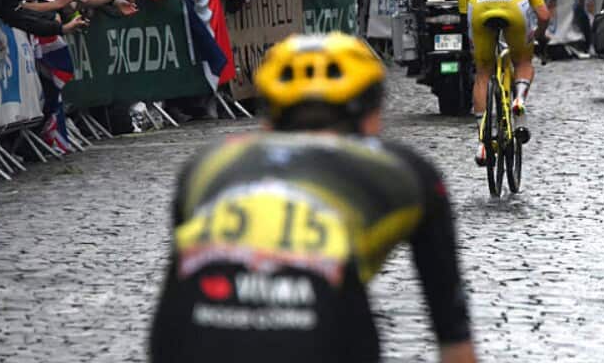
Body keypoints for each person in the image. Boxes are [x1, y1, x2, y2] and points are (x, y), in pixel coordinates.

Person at [149, 33, 476, 363]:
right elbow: (454, 336)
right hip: (321, 334)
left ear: (269, 115)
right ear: (373, 109)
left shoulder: (209, 164)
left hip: (187, 337)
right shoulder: (406, 171)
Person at [457, 0, 551, 166]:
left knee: (483, 73)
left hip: (479, 10)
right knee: (523, 62)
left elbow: (461, 11)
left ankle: (482, 144)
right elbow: (543, 13)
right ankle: (519, 100)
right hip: (515, 8)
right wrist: (537, 37)